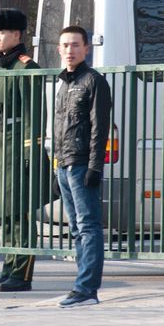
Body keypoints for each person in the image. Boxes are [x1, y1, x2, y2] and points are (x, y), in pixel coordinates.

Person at [0, 8, 48, 292]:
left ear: (17, 35)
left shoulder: (26, 67)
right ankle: (8, 267)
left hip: (17, 148)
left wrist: (29, 153)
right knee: (5, 213)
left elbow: (34, 115)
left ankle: (22, 273)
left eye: (2, 32)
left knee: (19, 213)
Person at [53, 25, 111, 308]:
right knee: (75, 227)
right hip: (63, 165)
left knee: (88, 226)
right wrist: (56, 165)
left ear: (87, 48)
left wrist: (94, 166)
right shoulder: (63, 83)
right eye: (65, 45)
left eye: (75, 45)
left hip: (81, 164)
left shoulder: (94, 81)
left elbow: (100, 129)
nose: (70, 50)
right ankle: (81, 285)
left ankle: (87, 289)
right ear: (58, 49)